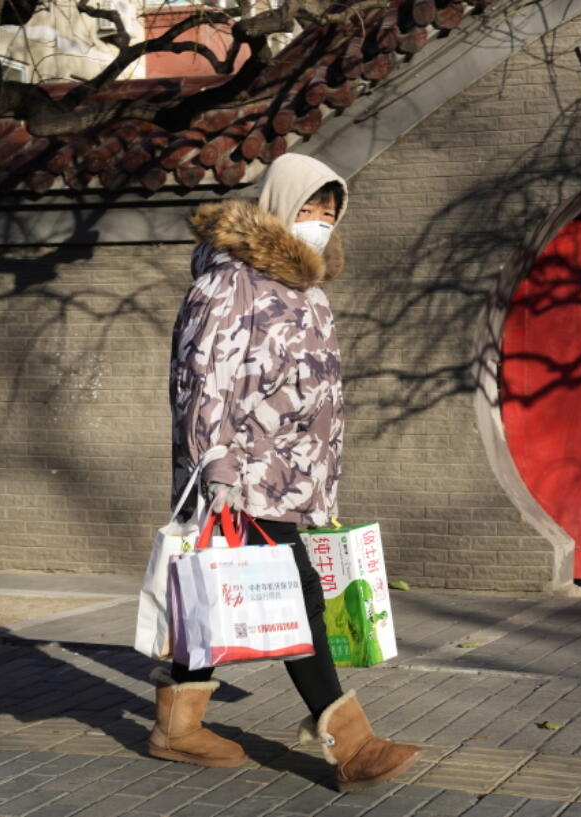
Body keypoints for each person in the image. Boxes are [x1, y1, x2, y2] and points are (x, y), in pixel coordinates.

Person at [153, 153, 420, 792]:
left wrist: (322, 486)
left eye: (330, 212)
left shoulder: (312, 295)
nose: (321, 222)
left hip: (294, 481)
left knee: (218, 594)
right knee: (294, 592)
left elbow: (319, 400)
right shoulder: (228, 284)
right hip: (240, 476)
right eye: (309, 209)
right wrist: (214, 463)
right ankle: (349, 744)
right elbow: (202, 380)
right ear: (279, 206)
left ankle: (177, 725)